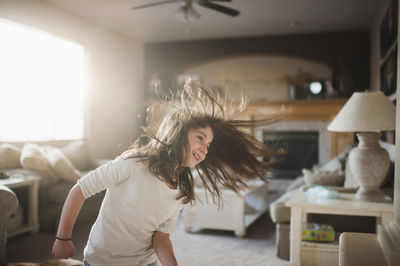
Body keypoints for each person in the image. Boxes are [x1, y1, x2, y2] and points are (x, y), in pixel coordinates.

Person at [52, 80, 279, 266]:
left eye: (208, 145)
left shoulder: (183, 188)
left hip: (145, 263)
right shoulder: (133, 164)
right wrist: (63, 238)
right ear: (179, 133)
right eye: (200, 138)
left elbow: (160, 236)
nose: (204, 148)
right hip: (101, 261)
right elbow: (80, 189)